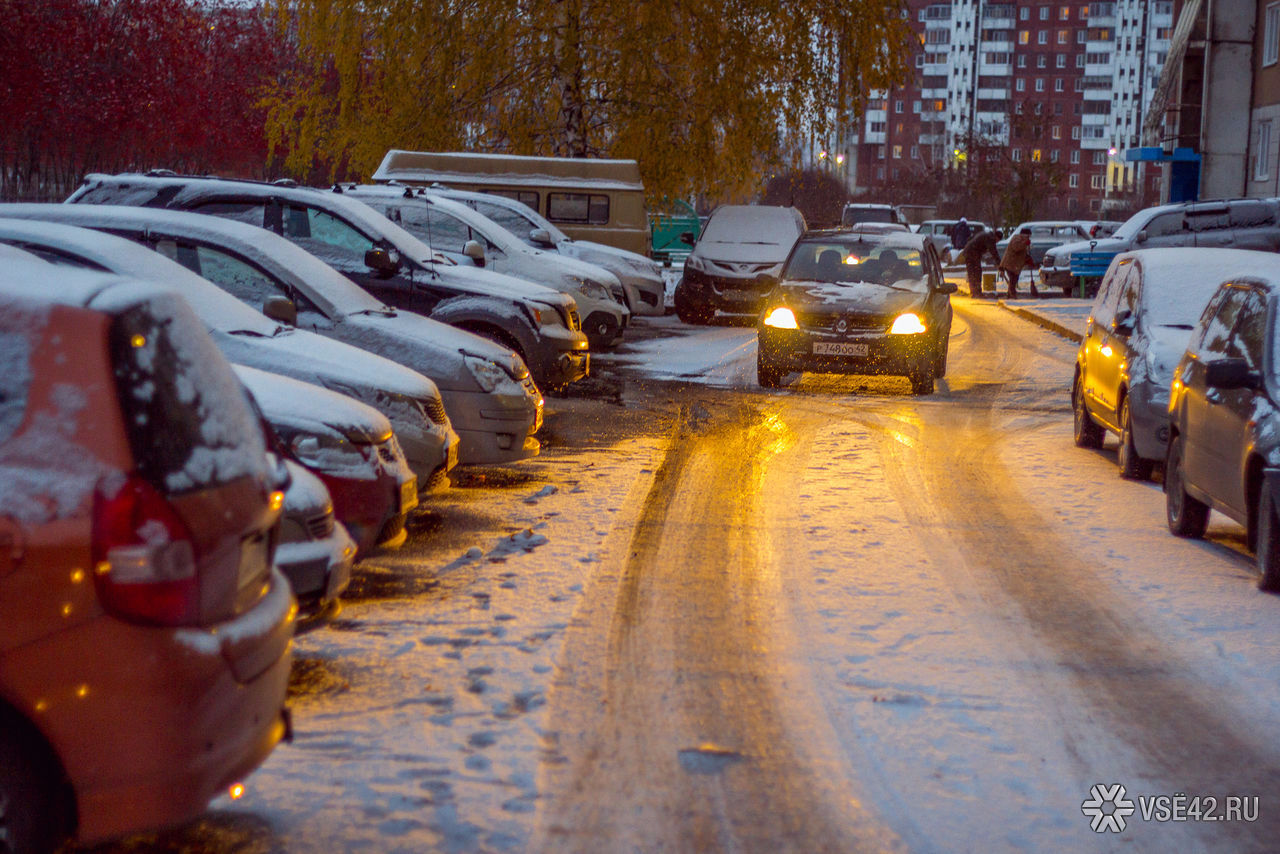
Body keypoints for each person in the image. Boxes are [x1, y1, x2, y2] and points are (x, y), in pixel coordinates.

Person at [962, 228, 1002, 298]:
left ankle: (974, 291)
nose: (997, 242)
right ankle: (977, 292)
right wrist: (999, 263)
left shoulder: (986, 235)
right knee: (977, 271)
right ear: (996, 237)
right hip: (972, 253)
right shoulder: (990, 238)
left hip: (969, 252)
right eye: (997, 240)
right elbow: (993, 251)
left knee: (972, 272)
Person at [999, 227, 1038, 299]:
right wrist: (1025, 243)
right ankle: (1012, 294)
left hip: (1015, 264)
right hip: (1010, 263)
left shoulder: (1022, 240)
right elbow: (1016, 248)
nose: (1029, 238)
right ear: (1025, 235)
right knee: (1013, 279)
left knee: (1014, 279)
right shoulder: (1017, 238)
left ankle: (1010, 294)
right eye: (1028, 236)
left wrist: (1028, 258)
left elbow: (1021, 253)